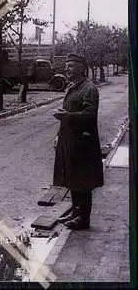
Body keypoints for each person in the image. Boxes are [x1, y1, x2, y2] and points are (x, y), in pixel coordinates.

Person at [53, 53, 104, 230]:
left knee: (83, 180)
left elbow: (90, 116)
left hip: (83, 142)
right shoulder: (74, 86)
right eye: (66, 65)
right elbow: (69, 112)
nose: (67, 68)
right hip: (71, 140)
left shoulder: (89, 88)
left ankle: (83, 219)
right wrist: (59, 134)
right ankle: (76, 212)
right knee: (73, 178)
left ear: (82, 68)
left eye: (71, 65)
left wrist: (68, 116)